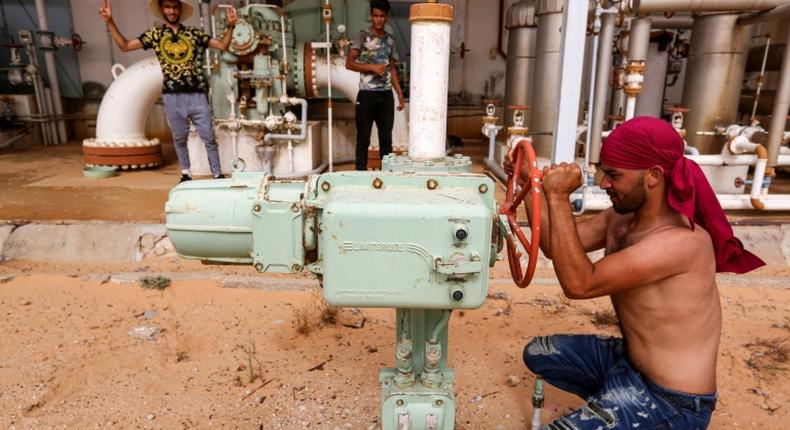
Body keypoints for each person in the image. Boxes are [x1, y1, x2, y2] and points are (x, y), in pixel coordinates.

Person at [505, 116, 764, 429]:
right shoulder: (621, 216)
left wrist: (558, 196)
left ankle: (623, 410)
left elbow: (580, 284)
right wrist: (531, 185)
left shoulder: (681, 243)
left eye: (613, 175)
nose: (602, 183)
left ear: (654, 176)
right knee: (539, 353)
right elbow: (555, 246)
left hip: (672, 400)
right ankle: (615, 398)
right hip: (632, 363)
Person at [99, 0, 237, 182]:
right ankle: (186, 174)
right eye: (167, 7)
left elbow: (222, 46)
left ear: (179, 10)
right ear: (162, 10)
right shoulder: (155, 34)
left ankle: (217, 173)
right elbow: (125, 46)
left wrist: (231, 26)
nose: (171, 11)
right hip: (172, 96)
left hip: (196, 94)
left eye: (175, 7)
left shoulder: (193, 34)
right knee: (179, 138)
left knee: (209, 137)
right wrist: (110, 21)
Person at [345, 0, 405, 171]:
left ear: (386, 17)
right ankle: (360, 174)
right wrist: (372, 67)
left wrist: (399, 93)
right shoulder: (361, 36)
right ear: (371, 16)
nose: (379, 20)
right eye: (376, 16)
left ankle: (388, 174)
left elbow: (392, 68)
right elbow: (349, 64)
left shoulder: (390, 40)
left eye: (382, 16)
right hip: (366, 95)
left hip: (386, 96)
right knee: (363, 138)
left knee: (386, 139)